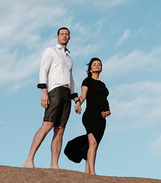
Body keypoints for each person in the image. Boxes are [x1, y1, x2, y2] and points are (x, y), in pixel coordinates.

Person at [23, 27, 78, 169]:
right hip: (55, 91)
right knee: (47, 125)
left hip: (67, 93)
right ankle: (29, 159)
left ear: (69, 37)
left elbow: (71, 79)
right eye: (62, 34)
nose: (64, 36)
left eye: (67, 34)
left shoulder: (69, 58)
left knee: (60, 129)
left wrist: (76, 99)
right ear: (57, 37)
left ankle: (54, 164)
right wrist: (43, 92)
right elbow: (43, 70)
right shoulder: (51, 51)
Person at [64, 57, 111, 175]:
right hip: (91, 115)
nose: (97, 66)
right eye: (94, 64)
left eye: (99, 64)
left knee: (94, 145)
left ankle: (87, 172)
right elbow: (83, 95)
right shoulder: (87, 81)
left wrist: (108, 111)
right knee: (93, 143)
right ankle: (92, 173)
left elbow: (104, 99)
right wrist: (78, 103)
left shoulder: (103, 84)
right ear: (90, 69)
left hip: (102, 118)